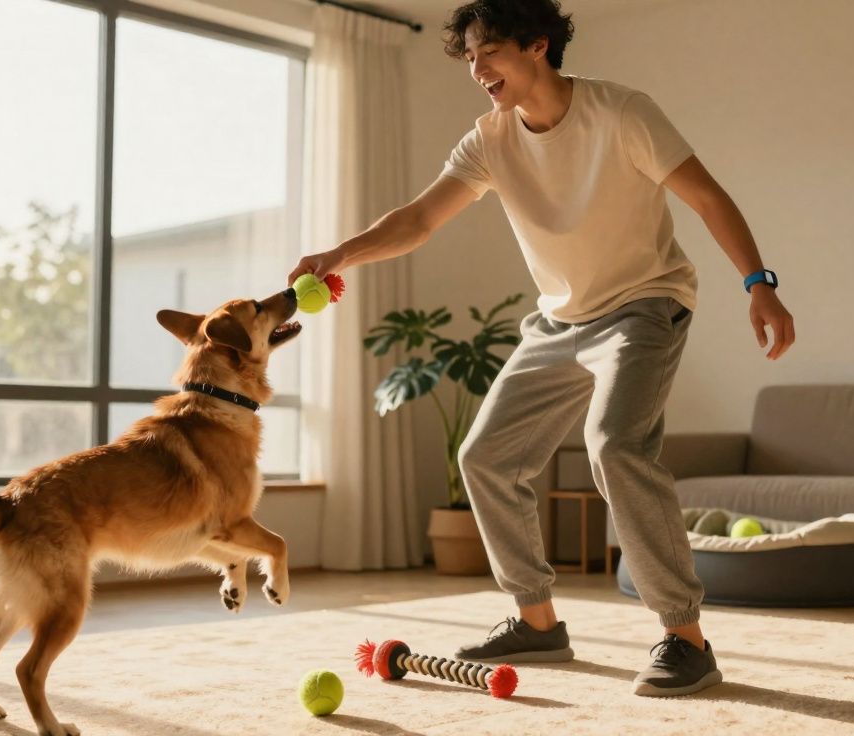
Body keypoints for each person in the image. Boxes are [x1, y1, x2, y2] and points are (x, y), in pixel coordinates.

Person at [287, 0, 794, 697]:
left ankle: (685, 638)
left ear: (537, 45)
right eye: (468, 56)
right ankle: (537, 622)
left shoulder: (621, 113)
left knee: (615, 443)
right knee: (485, 457)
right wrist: (343, 253)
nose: (476, 68)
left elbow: (706, 197)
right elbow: (420, 219)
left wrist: (758, 284)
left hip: (644, 304)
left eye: (488, 50)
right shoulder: (489, 140)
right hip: (559, 321)